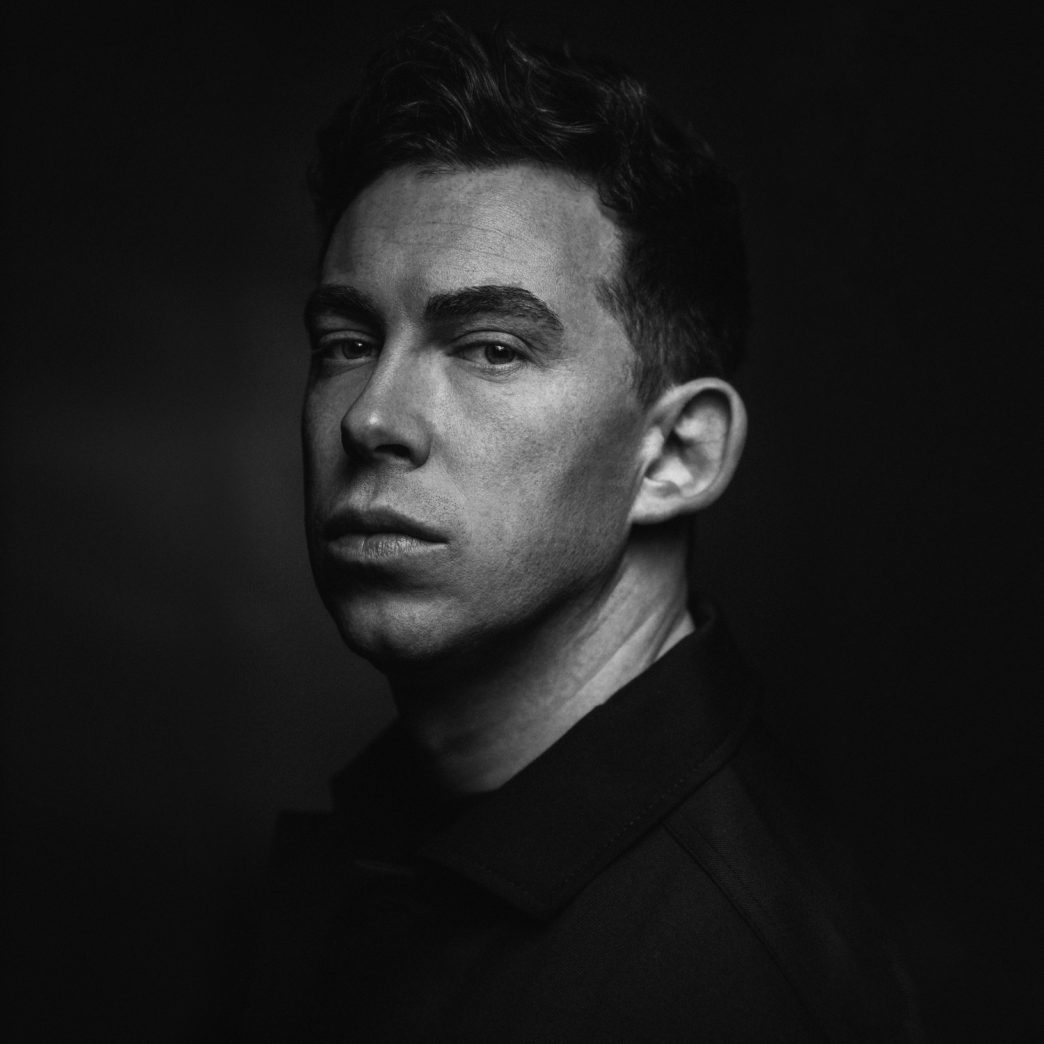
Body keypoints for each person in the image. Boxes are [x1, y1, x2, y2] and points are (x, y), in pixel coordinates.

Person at [242, 13, 921, 1042]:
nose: (371, 418)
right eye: (347, 341)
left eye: (492, 348)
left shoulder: (720, 982)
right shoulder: (405, 840)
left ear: (676, 455)